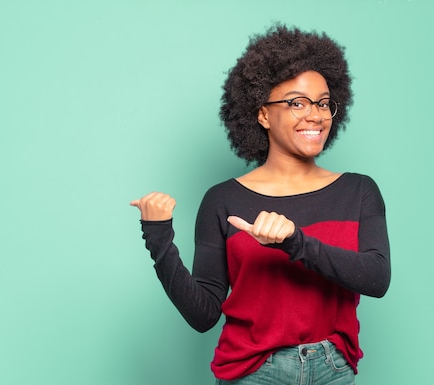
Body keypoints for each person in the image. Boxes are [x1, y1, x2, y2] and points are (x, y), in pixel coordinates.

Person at [130, 24, 390, 385]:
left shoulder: (359, 191)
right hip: (254, 373)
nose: (314, 115)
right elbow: (204, 314)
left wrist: (295, 243)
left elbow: (376, 278)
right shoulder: (223, 201)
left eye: (323, 103)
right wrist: (158, 238)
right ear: (263, 114)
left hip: (333, 371)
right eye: (297, 102)